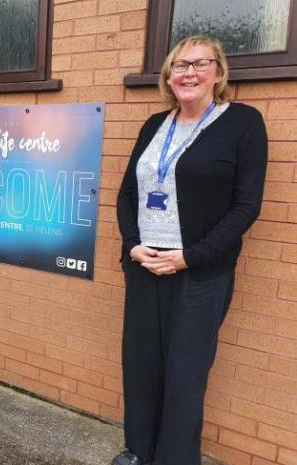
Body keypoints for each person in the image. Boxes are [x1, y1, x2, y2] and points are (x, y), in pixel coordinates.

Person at [114, 36, 267, 465]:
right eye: (180, 65)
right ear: (168, 76)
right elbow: (127, 194)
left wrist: (190, 256)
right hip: (145, 265)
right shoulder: (153, 125)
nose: (189, 73)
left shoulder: (242, 123)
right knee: (142, 368)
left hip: (199, 272)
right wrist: (132, 247)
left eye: (200, 64)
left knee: (184, 377)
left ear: (218, 73)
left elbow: (246, 206)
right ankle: (139, 452)